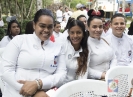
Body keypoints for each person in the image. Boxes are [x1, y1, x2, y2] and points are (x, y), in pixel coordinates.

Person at [1, 9, 66, 97]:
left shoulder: (57, 47)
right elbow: (5, 70)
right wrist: (25, 89)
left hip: (45, 92)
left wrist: (39, 84)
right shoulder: (19, 41)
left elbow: (61, 74)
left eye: (50, 27)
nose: (46, 30)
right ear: (34, 25)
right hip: (16, 92)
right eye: (42, 26)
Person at [87, 10, 117, 80]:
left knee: (114, 91)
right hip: (94, 81)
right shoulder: (85, 44)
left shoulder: (106, 40)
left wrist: (111, 72)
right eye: (94, 27)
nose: (98, 29)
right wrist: (103, 75)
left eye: (100, 27)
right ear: (88, 28)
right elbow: (84, 68)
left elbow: (114, 57)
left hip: (111, 78)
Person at [61, 19, 89, 83]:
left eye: (78, 32)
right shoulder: (63, 46)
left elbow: (83, 75)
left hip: (74, 87)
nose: (75, 36)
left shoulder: (86, 50)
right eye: (72, 33)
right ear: (68, 33)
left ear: (83, 34)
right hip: (59, 87)